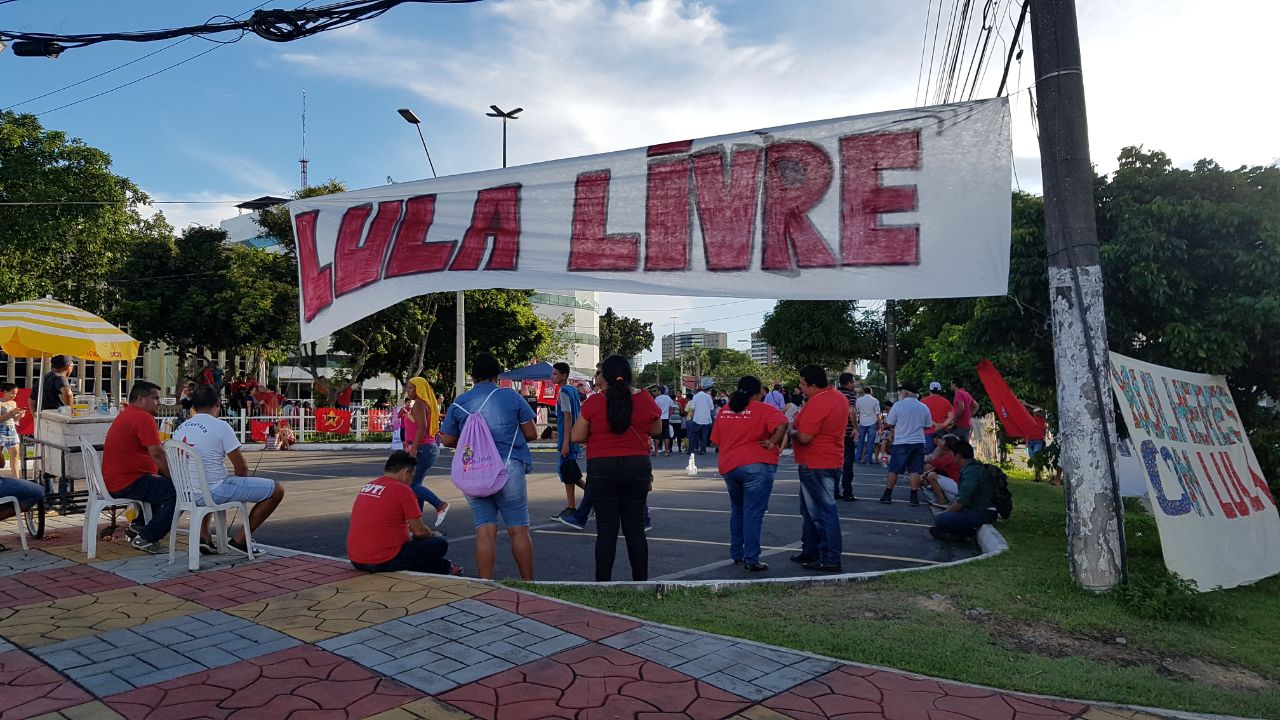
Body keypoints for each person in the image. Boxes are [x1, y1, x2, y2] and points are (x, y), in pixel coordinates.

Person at [440, 353, 538, 581]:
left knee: (484, 529)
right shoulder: (510, 397)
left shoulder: (460, 403)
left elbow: (447, 440)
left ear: (472, 376)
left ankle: (485, 583)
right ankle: (529, 584)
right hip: (508, 467)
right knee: (518, 529)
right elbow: (532, 433)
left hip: (474, 471)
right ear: (497, 375)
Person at [571, 354, 661, 581]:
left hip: (602, 467)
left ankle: (603, 584)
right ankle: (641, 582)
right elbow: (657, 429)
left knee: (606, 529)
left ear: (606, 376)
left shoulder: (594, 402)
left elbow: (577, 435)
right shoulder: (645, 399)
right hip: (637, 466)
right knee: (635, 528)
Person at [175, 386, 285, 554]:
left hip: (186, 493)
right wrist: (241, 487)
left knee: (208, 483)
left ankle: (204, 535)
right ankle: (240, 540)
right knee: (277, 490)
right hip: (213, 491)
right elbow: (241, 467)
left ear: (194, 407)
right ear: (218, 404)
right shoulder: (220, 426)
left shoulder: (180, 428)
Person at [710, 375, 788, 572]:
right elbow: (783, 424)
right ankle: (752, 559)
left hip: (730, 466)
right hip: (756, 465)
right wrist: (772, 441)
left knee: (738, 510)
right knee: (753, 513)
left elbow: (716, 440)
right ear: (758, 392)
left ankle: (737, 554)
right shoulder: (764, 409)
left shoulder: (725, 410)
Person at [348, 451, 461, 575]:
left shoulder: (369, 486)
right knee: (439, 543)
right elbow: (420, 531)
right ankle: (445, 567)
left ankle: (445, 567)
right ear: (407, 472)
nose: (411, 481)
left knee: (414, 549)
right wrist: (434, 534)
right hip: (382, 560)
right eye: (412, 476)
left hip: (357, 559)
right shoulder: (402, 489)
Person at [100, 381, 177, 553]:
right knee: (178, 492)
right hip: (127, 481)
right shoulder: (143, 417)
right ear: (141, 398)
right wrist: (175, 478)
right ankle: (148, 537)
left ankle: (138, 526)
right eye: (155, 398)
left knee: (161, 485)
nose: (159, 402)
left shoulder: (127, 414)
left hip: (119, 480)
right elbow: (157, 454)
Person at [788, 365, 846, 572]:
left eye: (803, 384)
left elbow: (805, 436)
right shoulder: (837, 397)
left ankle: (830, 557)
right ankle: (811, 550)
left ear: (813, 385)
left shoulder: (819, 402)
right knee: (810, 510)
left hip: (816, 462)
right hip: (828, 459)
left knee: (821, 511)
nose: (800, 388)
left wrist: (791, 430)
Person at [930, 438, 998, 542]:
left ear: (958, 456)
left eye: (952, 454)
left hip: (982, 512)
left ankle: (962, 535)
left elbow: (962, 501)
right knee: (947, 519)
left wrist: (945, 513)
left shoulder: (971, 472)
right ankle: (962, 533)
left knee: (941, 519)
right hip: (977, 509)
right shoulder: (972, 467)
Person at [404, 377, 450, 527]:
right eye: (408, 387)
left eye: (411, 388)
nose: (408, 390)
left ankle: (440, 505)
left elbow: (422, 427)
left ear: (419, 389)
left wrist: (414, 448)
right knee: (417, 485)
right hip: (428, 448)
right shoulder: (426, 403)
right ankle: (417, 522)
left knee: (412, 485)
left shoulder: (419, 403)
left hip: (423, 448)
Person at [879, 383, 934, 506]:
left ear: (906, 393)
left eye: (901, 391)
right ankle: (914, 497)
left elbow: (890, 422)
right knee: (915, 470)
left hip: (901, 442)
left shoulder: (898, 406)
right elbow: (928, 425)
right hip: (918, 442)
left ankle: (887, 494)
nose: (900, 393)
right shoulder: (924, 407)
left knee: (894, 469)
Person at [550, 362, 587, 523]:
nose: (553, 377)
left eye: (555, 374)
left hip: (568, 438)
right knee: (569, 472)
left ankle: (591, 498)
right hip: (573, 436)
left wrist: (565, 442)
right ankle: (572, 506)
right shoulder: (572, 389)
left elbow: (567, 416)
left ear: (564, 375)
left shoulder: (564, 391)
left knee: (567, 471)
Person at [835, 373, 860, 501]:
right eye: (853, 382)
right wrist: (855, 427)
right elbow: (851, 410)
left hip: (834, 433)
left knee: (835, 463)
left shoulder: (834, 395)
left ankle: (834, 490)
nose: (854, 384)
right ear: (849, 383)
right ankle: (847, 492)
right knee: (847, 463)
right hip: (847, 432)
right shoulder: (850, 395)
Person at [921, 435, 962, 506]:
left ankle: (942, 500)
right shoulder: (950, 452)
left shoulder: (951, 454)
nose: (939, 441)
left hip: (957, 484)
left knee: (931, 476)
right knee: (928, 473)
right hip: (954, 481)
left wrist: (938, 450)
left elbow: (935, 462)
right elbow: (937, 466)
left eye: (942, 440)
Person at [0, 384, 26, 479]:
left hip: (11, 430)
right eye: (12, 393)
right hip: (1, 430)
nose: (14, 396)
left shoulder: (13, 403)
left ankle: (16, 478)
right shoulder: (1, 403)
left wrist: (20, 415)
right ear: (5, 392)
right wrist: (11, 413)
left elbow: (14, 420)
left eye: (15, 394)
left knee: (15, 455)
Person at [920, 381, 954, 453]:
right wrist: (943, 425)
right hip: (942, 434)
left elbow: (921, 417)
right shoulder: (946, 402)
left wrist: (934, 424)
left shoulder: (923, 401)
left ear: (930, 390)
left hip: (927, 433)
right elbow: (951, 417)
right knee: (941, 457)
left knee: (927, 456)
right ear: (940, 391)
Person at [854, 387, 880, 465]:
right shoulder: (875, 401)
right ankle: (869, 460)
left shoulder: (858, 400)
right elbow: (877, 414)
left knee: (860, 442)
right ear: (871, 392)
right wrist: (880, 424)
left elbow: (857, 412)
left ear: (864, 392)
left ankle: (858, 459)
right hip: (872, 422)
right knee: (870, 443)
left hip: (862, 422)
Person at [687, 386, 715, 455]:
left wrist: (692, 416)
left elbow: (692, 407)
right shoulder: (708, 396)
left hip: (697, 419)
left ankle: (691, 449)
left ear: (697, 391)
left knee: (693, 435)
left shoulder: (696, 396)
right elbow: (712, 407)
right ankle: (703, 450)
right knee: (704, 436)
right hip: (706, 419)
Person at [653, 386, 676, 456]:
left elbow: (654, 408)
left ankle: (656, 452)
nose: (656, 392)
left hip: (659, 419)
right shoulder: (668, 398)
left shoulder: (657, 399)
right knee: (666, 435)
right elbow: (673, 407)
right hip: (666, 418)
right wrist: (669, 414)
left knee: (657, 436)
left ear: (660, 391)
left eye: (657, 391)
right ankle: (666, 452)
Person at [667, 388, 686, 454]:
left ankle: (670, 448)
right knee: (678, 435)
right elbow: (681, 412)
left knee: (671, 435)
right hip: (678, 421)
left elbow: (669, 412)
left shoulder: (669, 404)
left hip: (672, 421)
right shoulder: (679, 404)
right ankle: (679, 448)